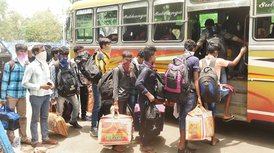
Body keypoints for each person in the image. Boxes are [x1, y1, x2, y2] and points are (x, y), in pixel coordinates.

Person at [199, 43, 247, 145]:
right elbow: (234, 63)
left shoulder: (200, 61)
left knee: (209, 113)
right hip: (215, 91)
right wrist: (241, 52)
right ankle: (225, 115)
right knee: (229, 92)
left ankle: (209, 136)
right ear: (215, 52)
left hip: (203, 91)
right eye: (218, 52)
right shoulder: (218, 61)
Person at [22, 44, 58, 147]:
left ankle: (45, 138)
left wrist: (51, 84)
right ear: (36, 53)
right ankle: (34, 141)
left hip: (46, 95)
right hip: (36, 96)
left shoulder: (46, 65)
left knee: (44, 117)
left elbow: (48, 79)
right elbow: (24, 83)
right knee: (35, 119)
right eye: (42, 50)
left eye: (44, 50)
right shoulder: (31, 66)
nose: (45, 52)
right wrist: (39, 86)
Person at [1, 44, 31, 145]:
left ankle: (24, 137)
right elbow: (4, 81)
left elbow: (28, 80)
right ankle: (11, 139)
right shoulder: (10, 64)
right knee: (10, 117)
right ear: (16, 51)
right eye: (20, 51)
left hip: (22, 95)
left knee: (22, 117)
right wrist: (3, 98)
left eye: (24, 51)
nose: (22, 53)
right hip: (11, 95)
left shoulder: (27, 64)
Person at [177, 40, 202, 153]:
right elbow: (196, 80)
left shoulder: (178, 58)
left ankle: (184, 142)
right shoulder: (194, 59)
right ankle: (182, 145)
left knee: (181, 116)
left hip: (178, 93)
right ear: (194, 48)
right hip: (189, 93)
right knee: (185, 117)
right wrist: (199, 97)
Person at [50, 47, 82, 128]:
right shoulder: (55, 66)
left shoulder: (69, 64)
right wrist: (53, 96)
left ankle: (73, 120)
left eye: (66, 55)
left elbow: (74, 76)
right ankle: (58, 127)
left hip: (70, 91)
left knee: (76, 106)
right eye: (63, 55)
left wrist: (77, 87)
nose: (65, 57)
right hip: (60, 92)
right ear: (59, 55)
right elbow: (53, 82)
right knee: (60, 111)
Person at [135, 46, 157, 153]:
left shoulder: (146, 66)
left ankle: (142, 140)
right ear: (151, 57)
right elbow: (138, 83)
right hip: (146, 99)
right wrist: (149, 95)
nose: (156, 57)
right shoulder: (146, 69)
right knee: (148, 120)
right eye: (155, 55)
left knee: (143, 119)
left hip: (143, 99)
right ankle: (145, 145)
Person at [112, 51, 134, 152]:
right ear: (122, 59)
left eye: (130, 60)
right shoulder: (117, 69)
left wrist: (132, 72)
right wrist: (115, 102)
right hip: (120, 98)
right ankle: (116, 145)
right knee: (118, 122)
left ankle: (122, 140)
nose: (128, 62)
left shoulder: (129, 69)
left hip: (127, 97)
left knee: (124, 120)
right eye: (126, 60)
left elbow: (133, 83)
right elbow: (115, 86)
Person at [90, 37, 111, 137]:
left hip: (102, 82)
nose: (110, 46)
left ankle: (99, 125)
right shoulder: (100, 54)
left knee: (101, 104)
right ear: (103, 46)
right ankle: (93, 127)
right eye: (109, 44)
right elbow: (100, 70)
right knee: (97, 105)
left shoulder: (105, 54)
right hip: (98, 83)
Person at [71, 45, 89, 121]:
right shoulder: (72, 61)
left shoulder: (84, 60)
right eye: (82, 51)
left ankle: (83, 115)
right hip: (77, 84)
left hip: (82, 83)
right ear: (77, 52)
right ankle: (77, 115)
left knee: (83, 100)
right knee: (77, 101)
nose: (83, 52)